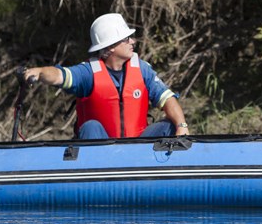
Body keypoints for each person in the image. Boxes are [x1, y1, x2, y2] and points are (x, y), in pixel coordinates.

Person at [24, 13, 189, 139]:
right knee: (90, 126)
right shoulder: (88, 72)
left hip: (138, 147)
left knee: (170, 125)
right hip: (103, 148)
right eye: (126, 39)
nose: (133, 41)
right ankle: (94, 177)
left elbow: (167, 98)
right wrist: (39, 72)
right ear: (110, 47)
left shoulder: (142, 69)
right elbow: (59, 75)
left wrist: (182, 126)